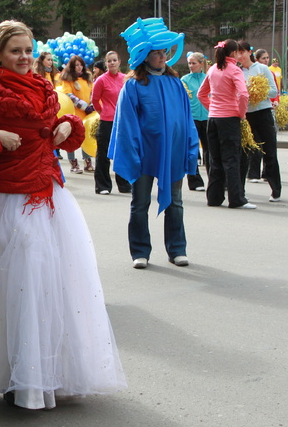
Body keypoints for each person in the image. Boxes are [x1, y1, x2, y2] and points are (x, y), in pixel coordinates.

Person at [0, 20, 126, 411]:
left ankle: (52, 372)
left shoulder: (45, 88)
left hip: (49, 196)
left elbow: (62, 125)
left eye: (28, 50)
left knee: (53, 284)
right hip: (10, 202)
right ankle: (19, 377)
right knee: (22, 286)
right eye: (16, 51)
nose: (25, 57)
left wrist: (66, 127)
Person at [111, 18, 198, 269]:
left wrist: (191, 148)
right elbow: (126, 124)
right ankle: (140, 251)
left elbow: (186, 119)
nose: (162, 56)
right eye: (157, 52)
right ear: (144, 56)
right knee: (140, 203)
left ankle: (177, 249)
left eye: (164, 52)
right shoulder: (134, 86)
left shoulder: (175, 83)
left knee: (176, 202)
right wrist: (133, 153)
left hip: (172, 152)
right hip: (144, 154)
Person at [198, 39, 254, 209]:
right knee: (231, 159)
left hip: (213, 119)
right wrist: (241, 113)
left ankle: (214, 198)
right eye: (238, 52)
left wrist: (213, 108)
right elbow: (243, 94)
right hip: (229, 118)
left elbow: (201, 94)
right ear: (233, 53)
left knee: (214, 159)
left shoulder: (213, 69)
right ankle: (236, 199)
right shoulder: (234, 70)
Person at [236, 41, 280, 202]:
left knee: (270, 150)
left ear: (249, 52)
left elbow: (274, 90)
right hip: (246, 115)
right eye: (237, 53)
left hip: (263, 112)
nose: (239, 56)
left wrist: (257, 91)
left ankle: (276, 189)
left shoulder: (262, 69)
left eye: (242, 52)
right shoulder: (237, 71)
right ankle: (240, 189)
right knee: (244, 152)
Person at [91, 50, 131, 195]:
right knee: (103, 154)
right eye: (109, 61)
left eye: (114, 60)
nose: (112, 63)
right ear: (106, 63)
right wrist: (102, 111)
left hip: (122, 121)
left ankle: (125, 185)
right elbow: (95, 100)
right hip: (107, 121)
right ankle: (103, 186)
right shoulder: (101, 80)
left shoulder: (125, 78)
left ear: (119, 62)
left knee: (123, 152)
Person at [59, 55, 94, 173]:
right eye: (76, 65)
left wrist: (93, 105)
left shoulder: (87, 79)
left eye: (81, 65)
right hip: (74, 114)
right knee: (72, 139)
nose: (79, 68)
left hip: (87, 115)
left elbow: (92, 93)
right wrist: (84, 106)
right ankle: (73, 162)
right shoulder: (68, 80)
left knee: (85, 137)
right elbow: (69, 96)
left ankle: (87, 160)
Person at [181, 52, 209, 192]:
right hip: (191, 118)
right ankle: (195, 181)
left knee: (210, 151)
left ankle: (215, 179)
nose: (191, 66)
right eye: (189, 63)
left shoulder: (208, 78)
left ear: (201, 64)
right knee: (192, 150)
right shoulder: (185, 80)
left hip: (208, 117)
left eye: (194, 63)